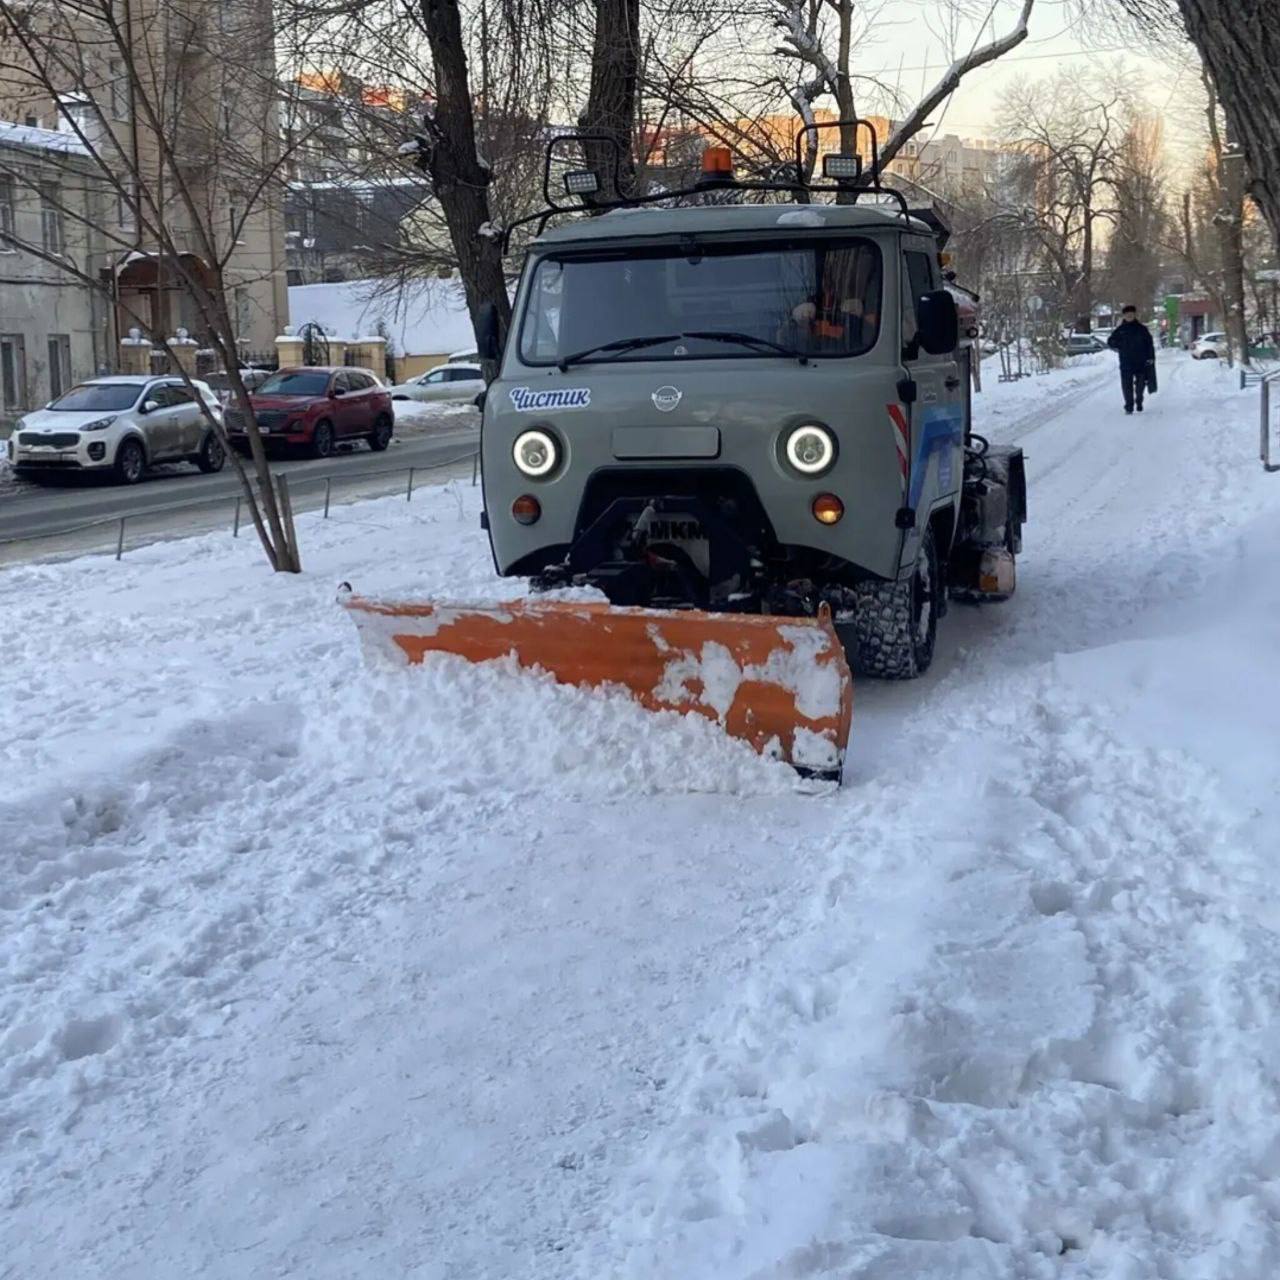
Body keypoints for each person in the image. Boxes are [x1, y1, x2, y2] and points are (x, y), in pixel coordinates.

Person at [1106, 305, 1156, 414]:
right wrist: (1119, 344)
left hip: (1141, 362)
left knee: (1140, 386)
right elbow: (1110, 341)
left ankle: (1139, 400)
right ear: (1124, 316)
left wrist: (1151, 358)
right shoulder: (1120, 330)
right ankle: (1129, 406)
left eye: (1131, 314)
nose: (1129, 316)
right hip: (1126, 362)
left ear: (1134, 315)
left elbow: (1149, 344)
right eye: (1127, 315)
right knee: (1126, 386)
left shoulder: (1142, 329)